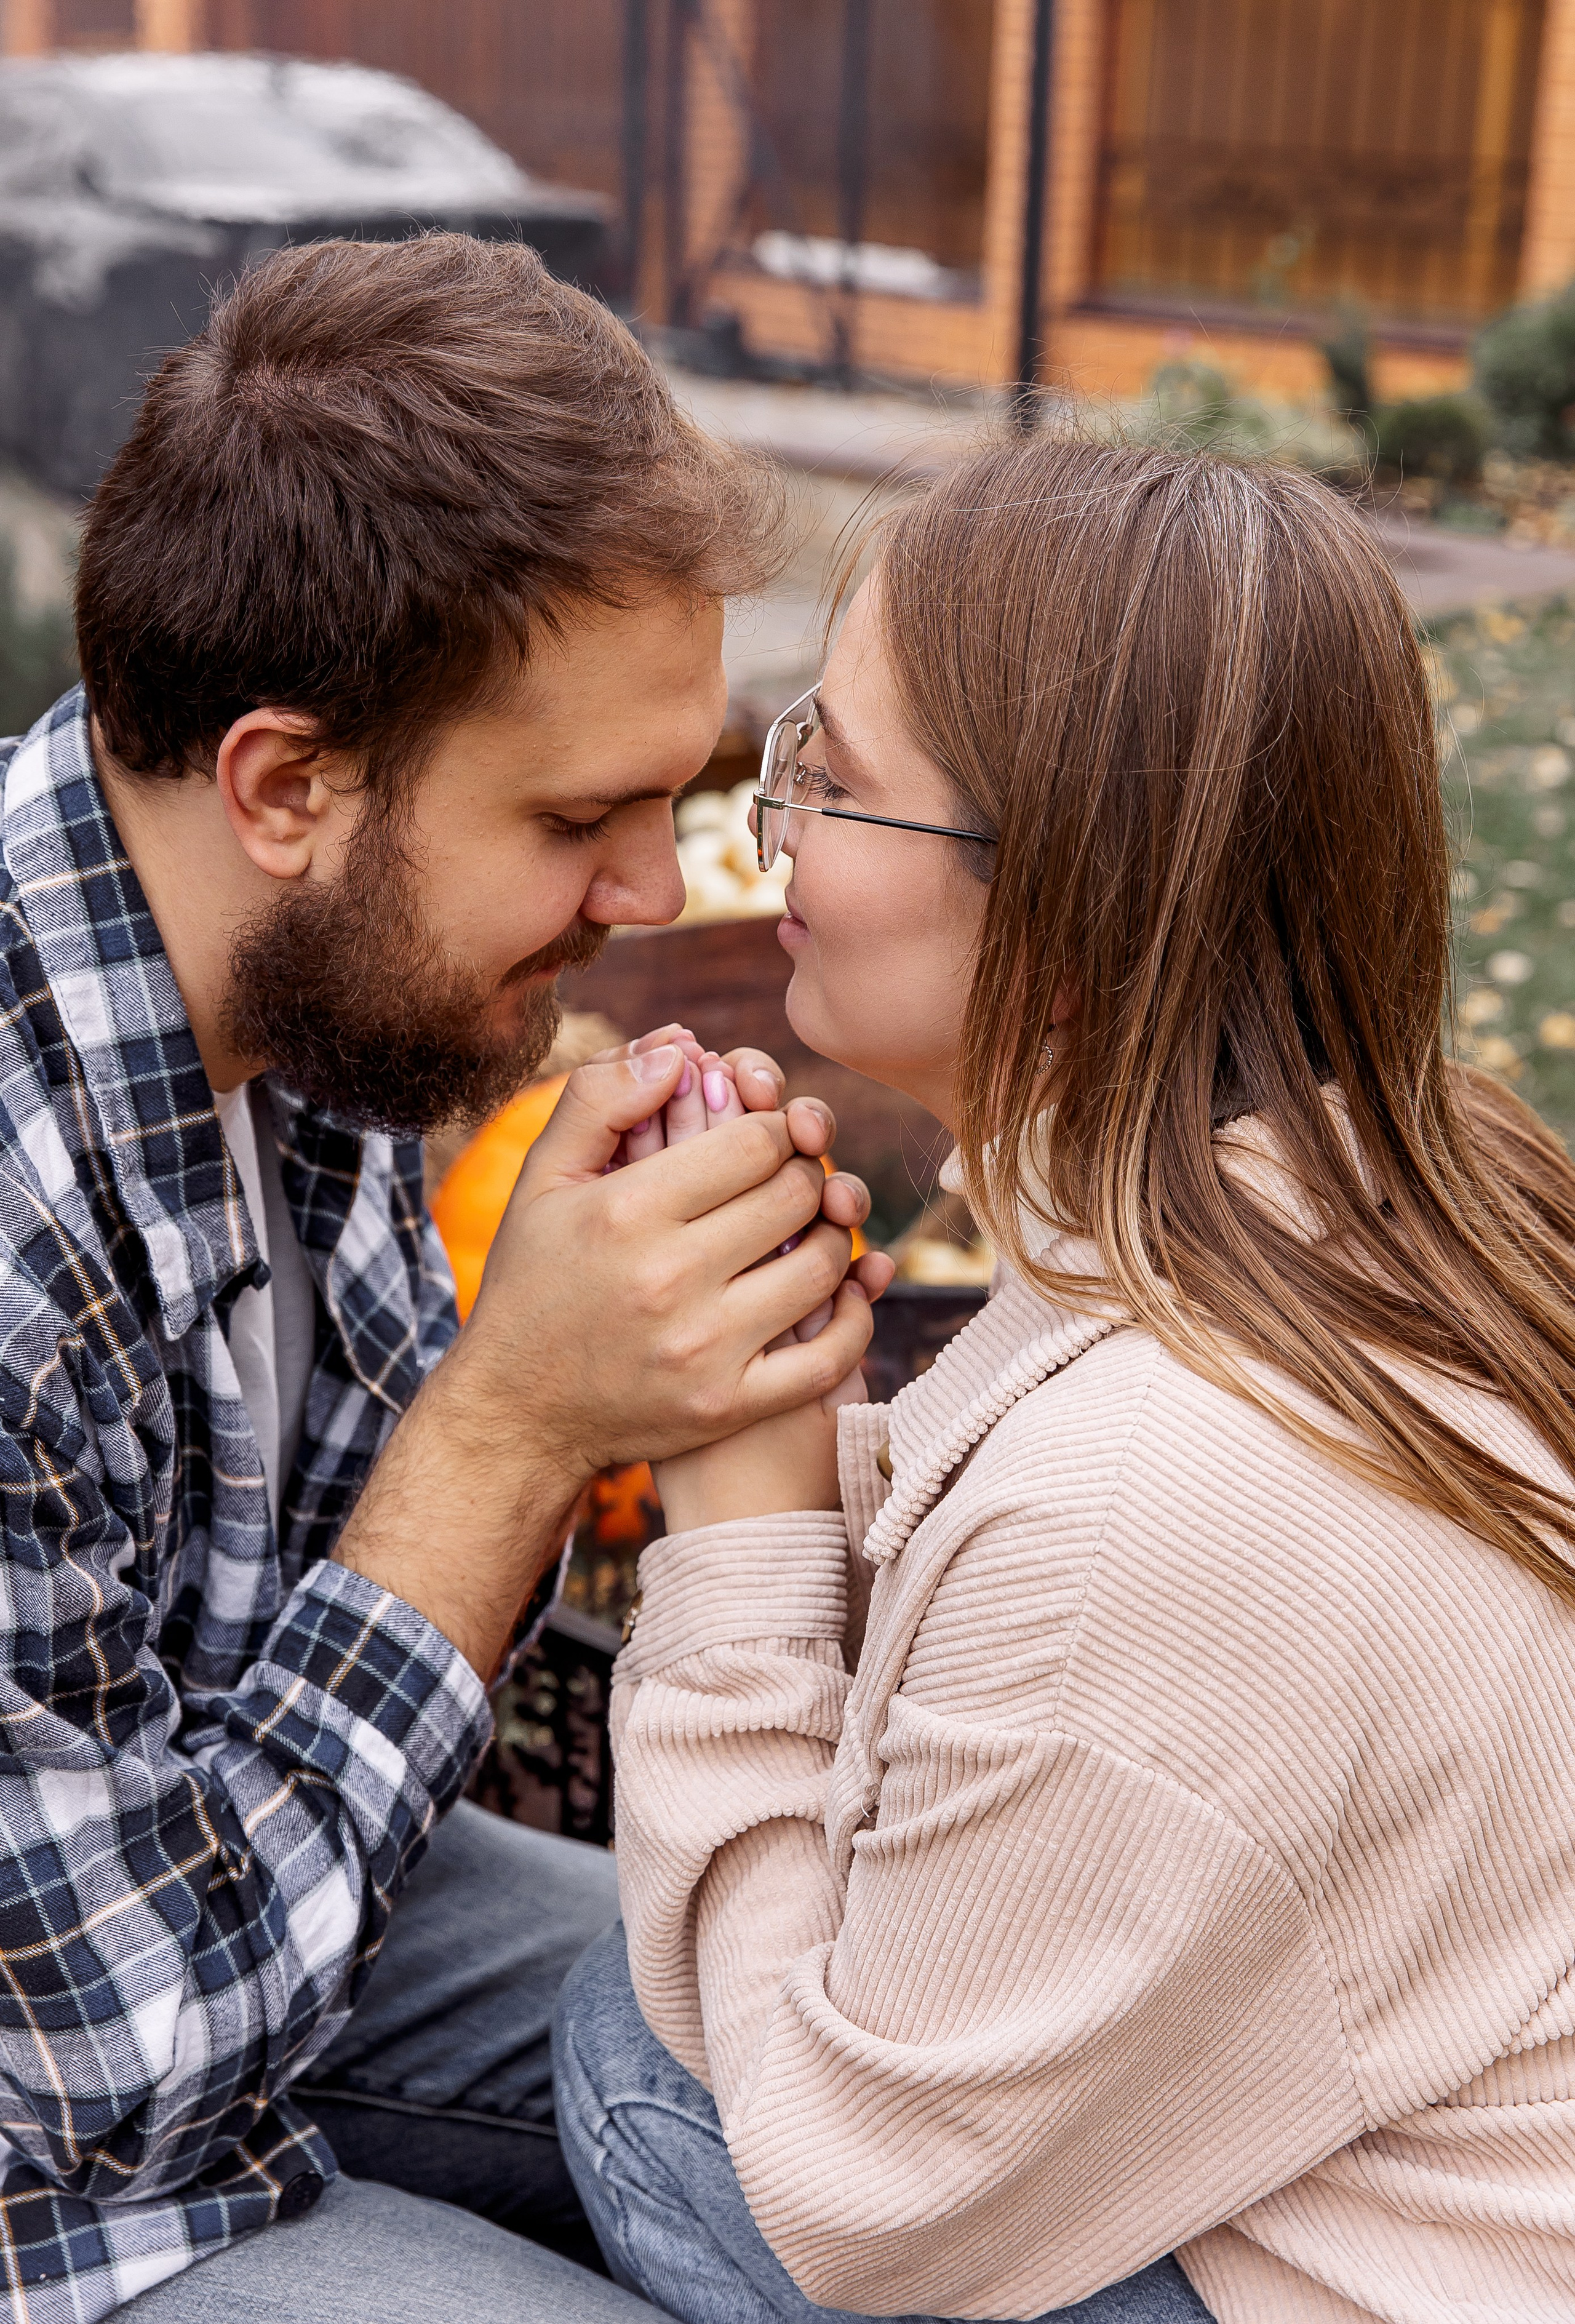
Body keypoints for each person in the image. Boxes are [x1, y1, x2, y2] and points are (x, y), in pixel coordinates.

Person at [554, 434, 1575, 2324]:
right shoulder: (1415, 1200)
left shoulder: (1160, 1488)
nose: (759, 826)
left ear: (1073, 908)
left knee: (630, 2054)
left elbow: (855, 2211)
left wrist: (747, 1523)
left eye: (833, 785)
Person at [0, 232, 882, 2324]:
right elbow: (102, 2080)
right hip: (54, 2142)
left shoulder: (314, 1002)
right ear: (285, 783)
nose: (658, 892)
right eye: (585, 812)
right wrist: (513, 1424)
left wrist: (678, 1381)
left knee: (858, 2105)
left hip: (226, 1893)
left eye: (678, 793)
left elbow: (333, 1653)